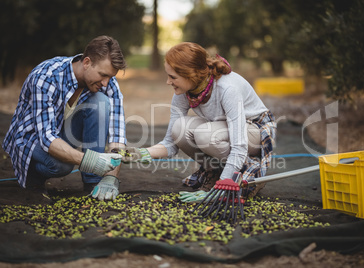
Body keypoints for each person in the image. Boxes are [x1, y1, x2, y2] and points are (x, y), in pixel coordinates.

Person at [130, 42, 277, 201]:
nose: (168, 82)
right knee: (180, 128)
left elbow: (239, 145)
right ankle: (214, 173)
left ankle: (245, 176)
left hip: (255, 130)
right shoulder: (184, 92)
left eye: (173, 77)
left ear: (191, 75)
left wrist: (223, 187)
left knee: (205, 135)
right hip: (223, 129)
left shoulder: (227, 89)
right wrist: (141, 153)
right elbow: (171, 143)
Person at [2, 35, 127, 201]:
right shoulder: (47, 77)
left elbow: (117, 134)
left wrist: (111, 177)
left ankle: (93, 182)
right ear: (87, 62)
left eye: (110, 77)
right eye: (103, 75)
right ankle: (33, 176)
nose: (106, 83)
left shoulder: (107, 82)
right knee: (62, 166)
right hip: (30, 139)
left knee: (100, 101)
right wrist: (92, 161)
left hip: (61, 134)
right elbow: (46, 138)